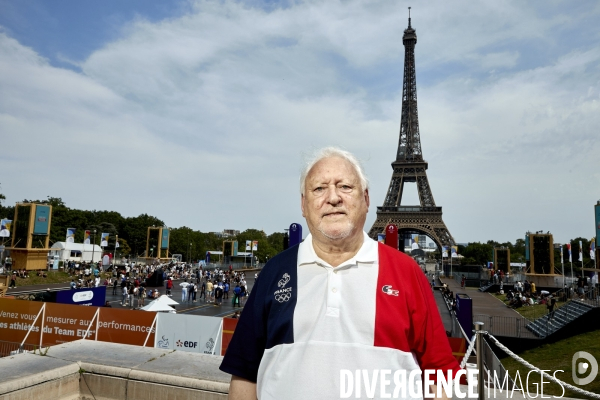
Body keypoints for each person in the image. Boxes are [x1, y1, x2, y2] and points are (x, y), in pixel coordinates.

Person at [220, 147, 459, 399]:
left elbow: (440, 374)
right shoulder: (275, 272)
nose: (333, 198)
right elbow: (245, 373)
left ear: (366, 199)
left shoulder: (407, 272)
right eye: (319, 188)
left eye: (345, 186)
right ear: (303, 204)